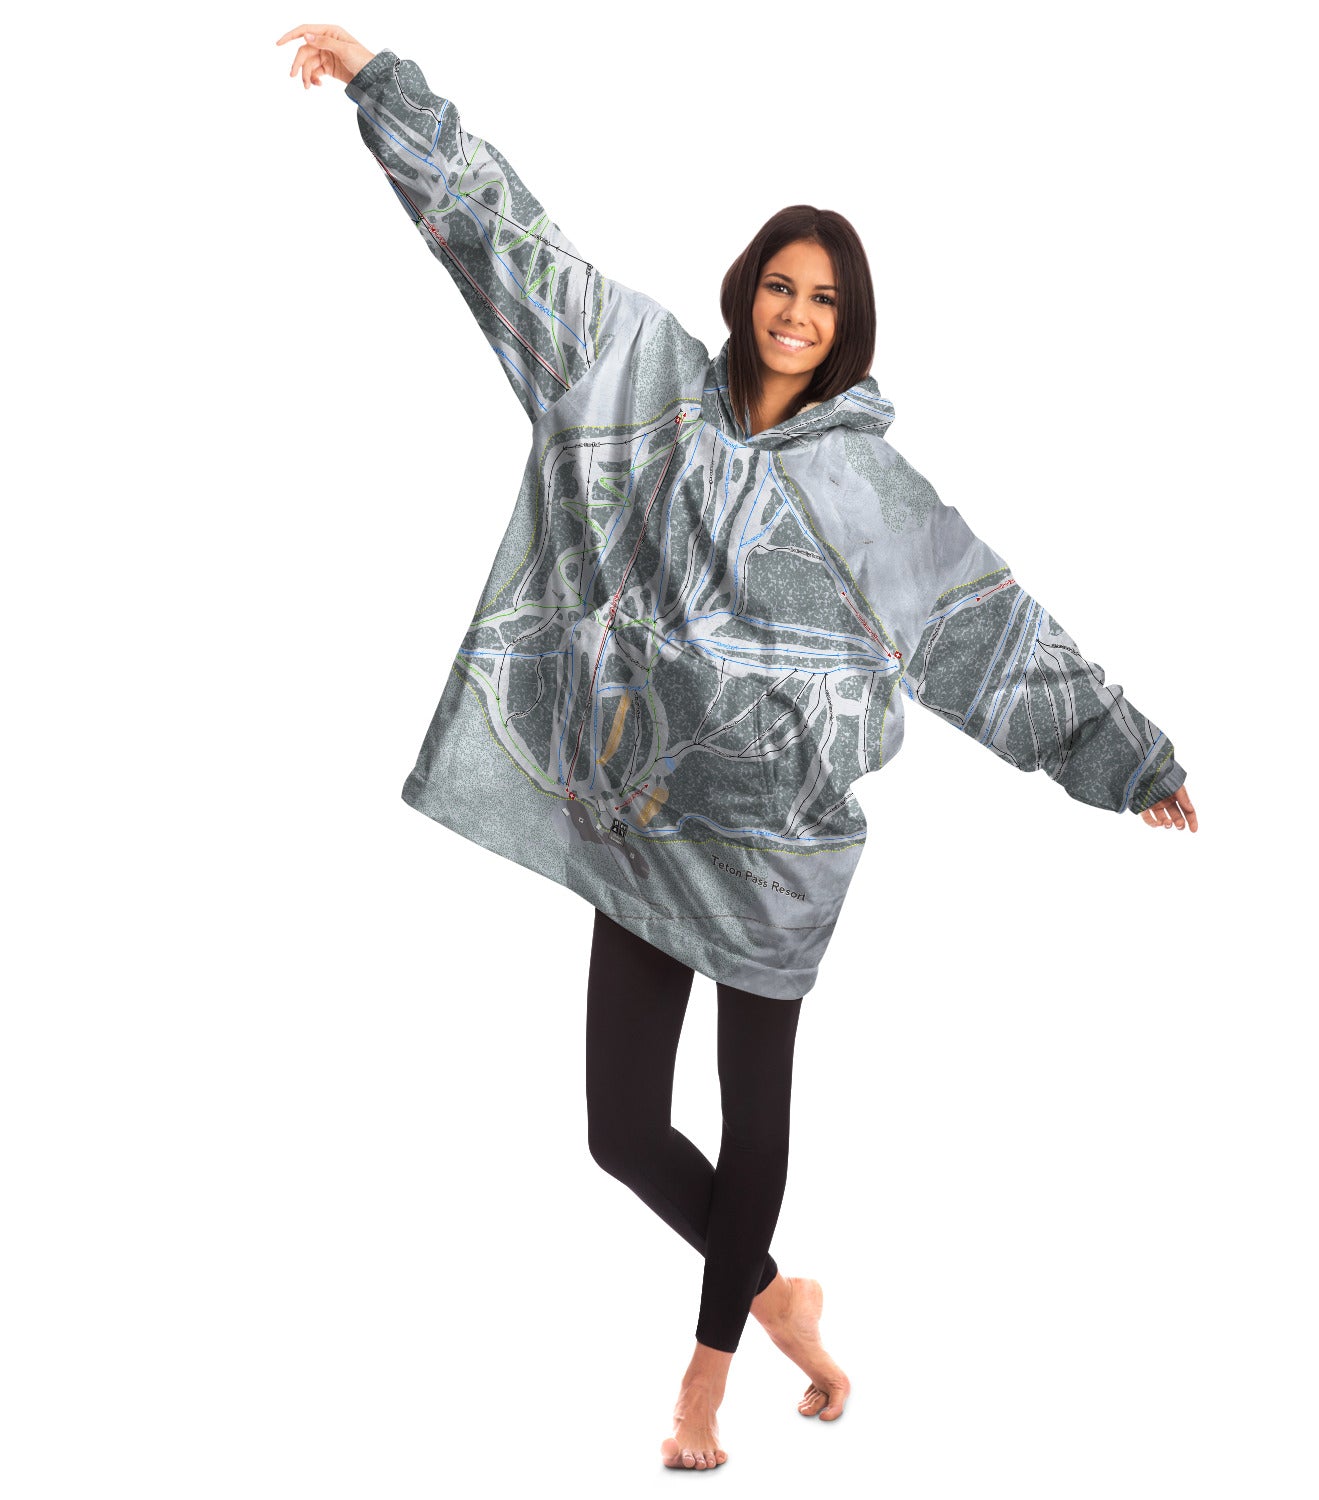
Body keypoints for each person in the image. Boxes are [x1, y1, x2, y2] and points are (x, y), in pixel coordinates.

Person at [279, 23, 1199, 1472]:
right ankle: (784, 1302)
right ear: (746, 289)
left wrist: (1124, 754)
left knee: (751, 1117)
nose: (795, 313)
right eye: (780, 284)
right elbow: (514, 246)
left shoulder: (873, 492)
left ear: (849, 324)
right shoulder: (634, 373)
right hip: (646, 822)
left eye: (823, 298)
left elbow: (990, 633)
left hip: (776, 854)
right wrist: (386, 90)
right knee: (619, 1131)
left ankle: (701, 1391)